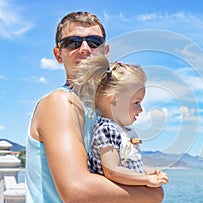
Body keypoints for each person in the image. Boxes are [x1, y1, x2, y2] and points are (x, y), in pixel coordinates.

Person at [25, 11, 164, 202]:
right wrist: (152, 194)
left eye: (93, 42)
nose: (84, 48)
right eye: (72, 42)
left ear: (105, 51)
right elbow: (77, 190)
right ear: (58, 54)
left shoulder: (100, 112)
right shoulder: (61, 103)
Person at [73, 56, 169, 187]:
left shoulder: (123, 132)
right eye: (136, 102)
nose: (140, 109)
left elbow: (128, 166)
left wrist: (149, 172)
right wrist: (146, 179)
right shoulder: (106, 130)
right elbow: (113, 171)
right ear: (113, 101)